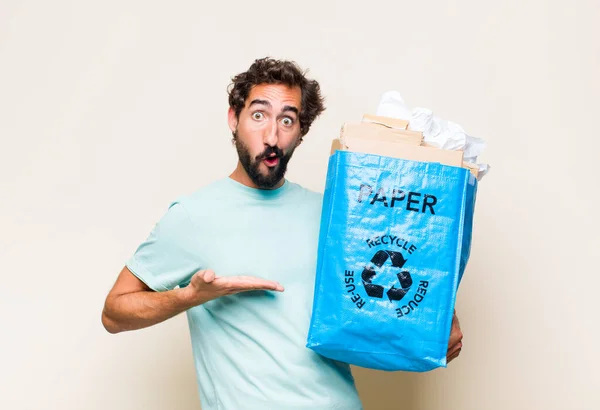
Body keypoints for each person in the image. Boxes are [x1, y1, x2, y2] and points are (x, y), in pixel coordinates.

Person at [102, 57, 463, 410]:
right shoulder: (192, 216)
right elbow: (114, 313)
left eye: (287, 120)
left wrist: (442, 319)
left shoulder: (332, 214)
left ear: (301, 132)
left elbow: (391, 283)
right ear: (234, 119)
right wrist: (190, 296)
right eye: (258, 116)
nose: (271, 136)